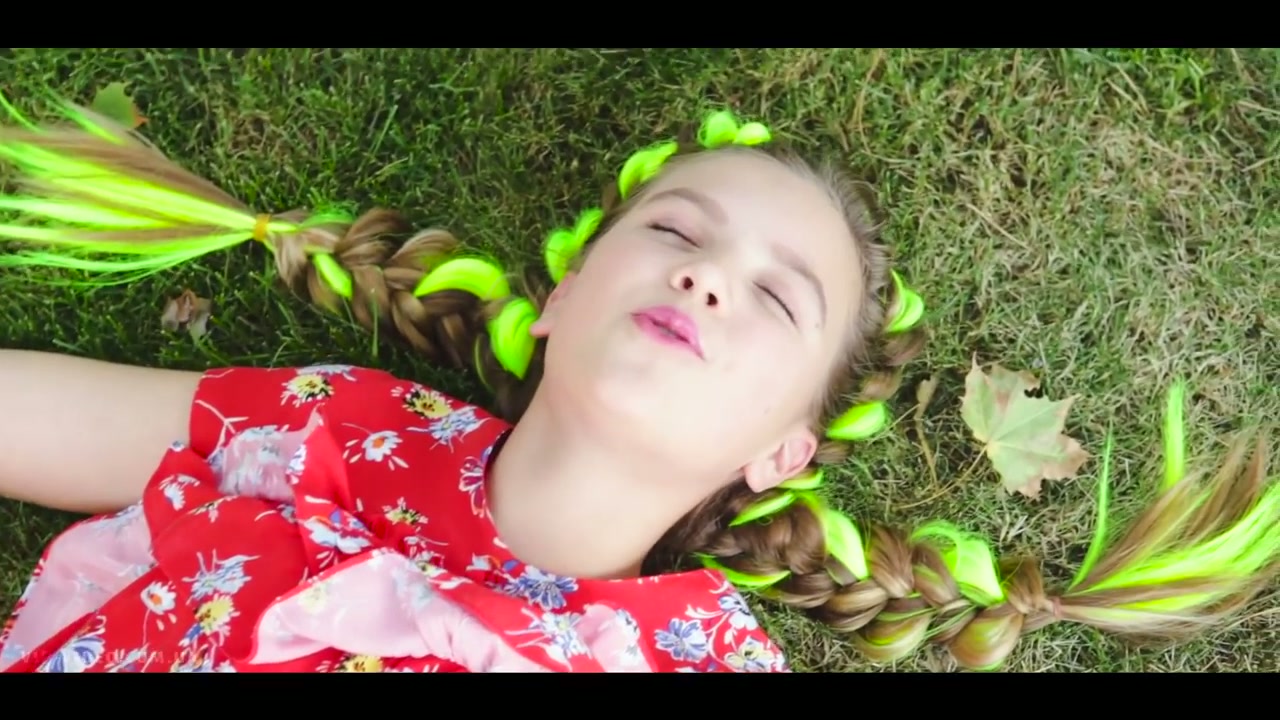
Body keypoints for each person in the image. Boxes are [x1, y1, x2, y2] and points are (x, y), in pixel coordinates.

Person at [0, 98, 1275, 673]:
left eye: (777, 298)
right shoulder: (337, 427)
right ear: (559, 297)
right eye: (673, 231)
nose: (707, 276)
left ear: (783, 450)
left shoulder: (703, 663)